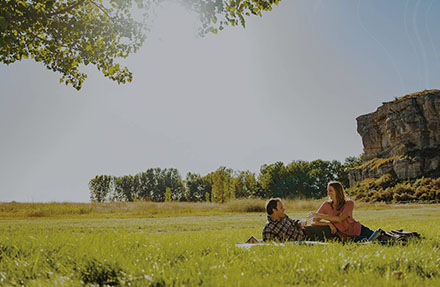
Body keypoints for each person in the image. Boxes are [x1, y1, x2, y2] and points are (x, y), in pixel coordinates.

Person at [308, 181, 375, 242]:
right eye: (327, 191)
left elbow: (340, 219)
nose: (328, 193)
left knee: (379, 237)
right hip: (345, 236)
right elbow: (314, 222)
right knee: (367, 241)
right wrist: (328, 223)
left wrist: (320, 215)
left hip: (358, 230)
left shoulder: (348, 203)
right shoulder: (326, 205)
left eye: (330, 191)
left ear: (337, 191)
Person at [262, 198, 337, 242]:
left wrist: (299, 222)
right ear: (274, 210)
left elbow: (293, 222)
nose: (284, 209)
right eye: (281, 208)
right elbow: (269, 244)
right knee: (330, 237)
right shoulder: (268, 228)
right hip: (304, 239)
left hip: (306, 231)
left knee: (330, 230)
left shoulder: (283, 217)